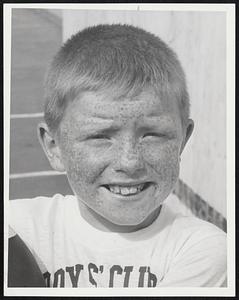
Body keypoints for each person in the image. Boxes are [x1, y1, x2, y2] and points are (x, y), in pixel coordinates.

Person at [9, 24, 226, 288]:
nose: (130, 161)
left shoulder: (205, 249)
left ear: (183, 140)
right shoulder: (16, 226)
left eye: (153, 134)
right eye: (100, 137)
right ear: (54, 147)